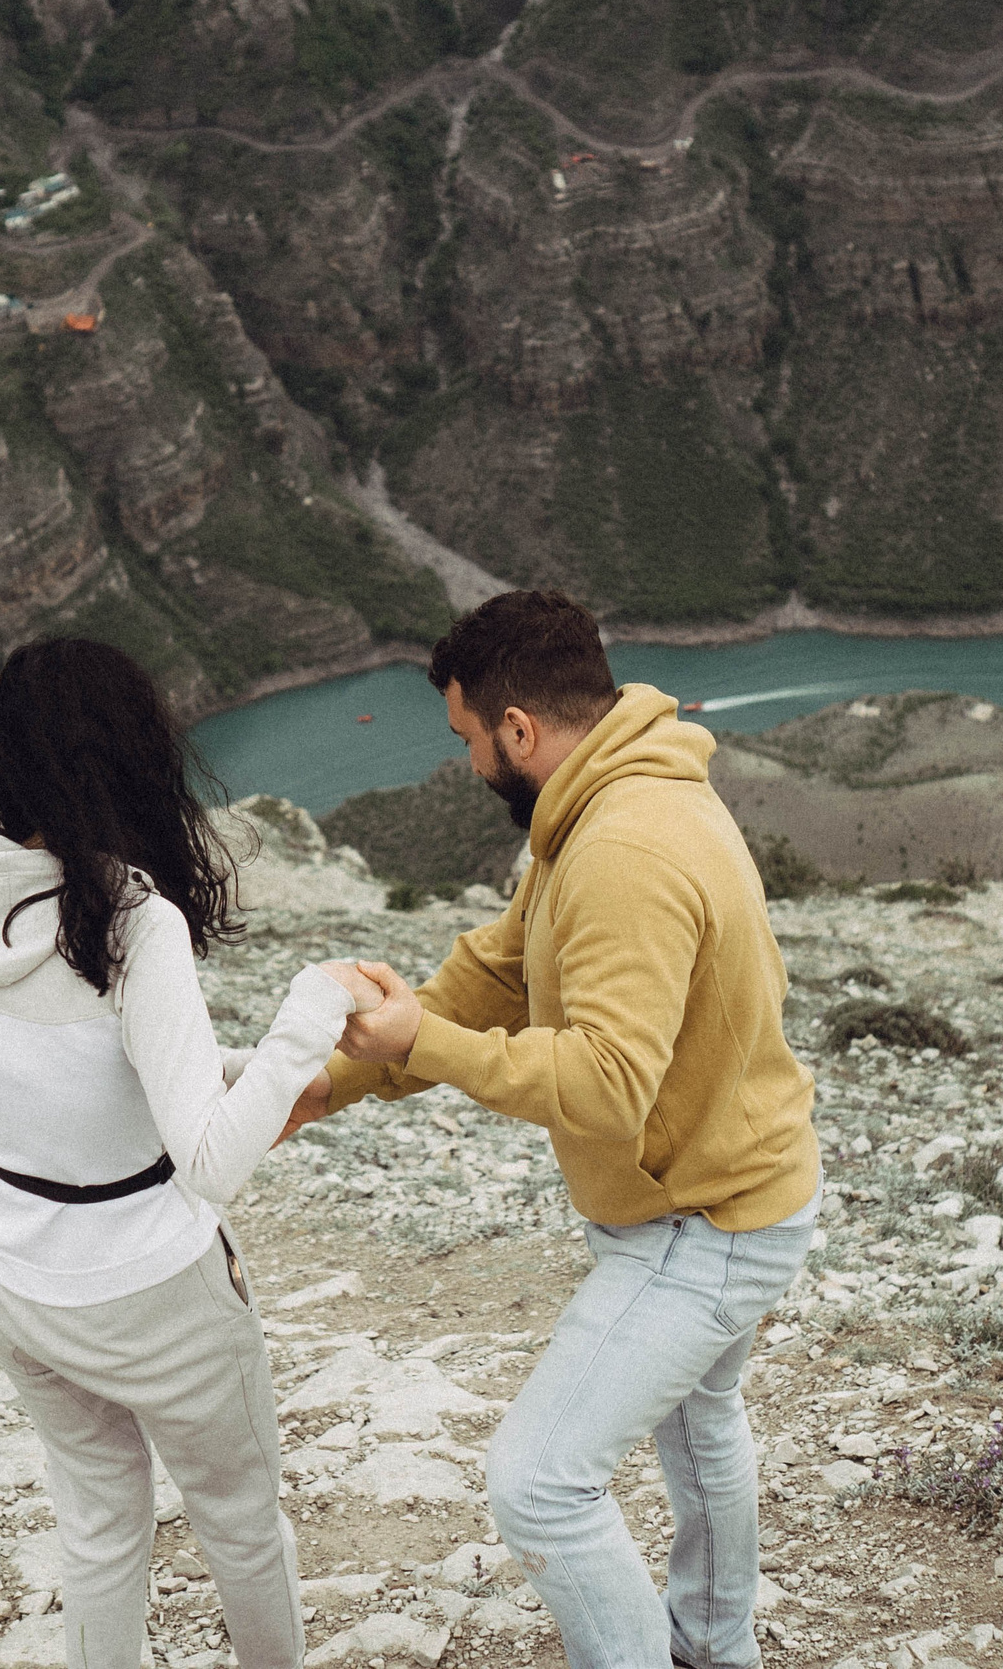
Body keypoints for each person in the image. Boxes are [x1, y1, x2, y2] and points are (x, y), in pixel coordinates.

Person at [299, 591, 822, 1669]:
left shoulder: (622, 849)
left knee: (538, 1484)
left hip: (703, 1221)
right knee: (701, 1424)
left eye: (467, 738)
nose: (467, 763)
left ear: (519, 728)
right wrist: (330, 1083)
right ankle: (715, 1648)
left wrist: (420, 1042)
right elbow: (496, 971)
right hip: (732, 1185)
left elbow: (607, 1083)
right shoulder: (601, 800)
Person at [0, 636, 373, 1669]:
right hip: (152, 1289)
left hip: (9, 1266)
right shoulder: (130, 920)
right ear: (131, 756)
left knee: (98, 1522)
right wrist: (311, 1013)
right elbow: (209, 1163)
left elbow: (76, 1069)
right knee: (241, 1525)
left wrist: (245, 1071)